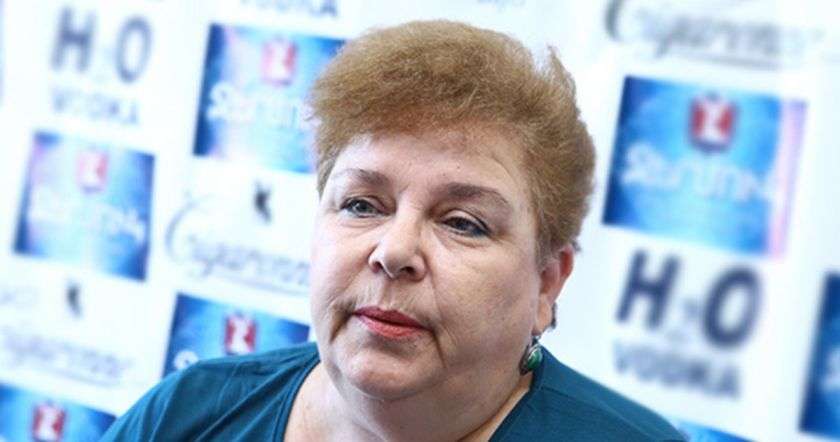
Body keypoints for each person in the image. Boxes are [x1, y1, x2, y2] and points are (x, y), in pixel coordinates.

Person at [102, 20, 685, 441]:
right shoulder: (189, 412)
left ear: (546, 284)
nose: (395, 250)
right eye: (362, 205)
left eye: (463, 222)